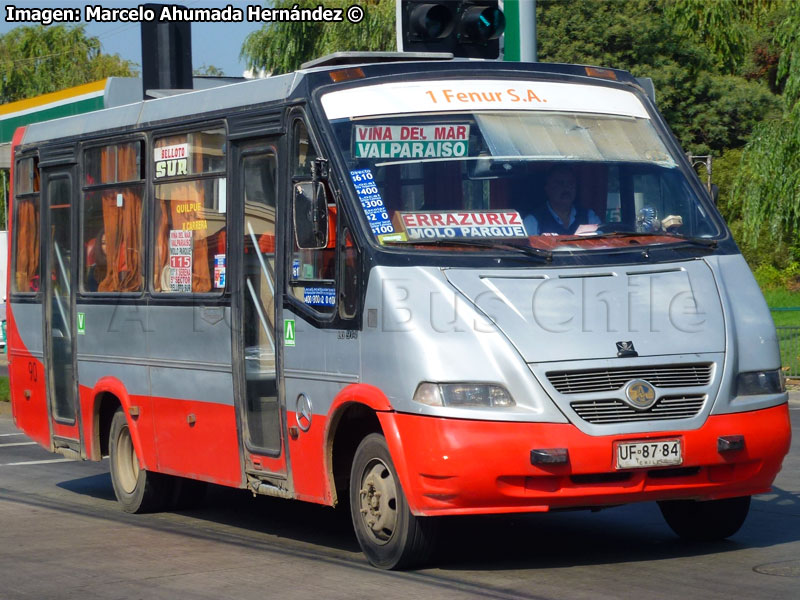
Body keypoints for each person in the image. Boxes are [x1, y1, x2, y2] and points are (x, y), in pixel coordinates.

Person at [524, 166, 601, 235]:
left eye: (570, 183)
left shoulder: (588, 216)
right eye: (560, 183)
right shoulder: (532, 220)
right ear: (548, 188)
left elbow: (600, 242)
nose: (566, 188)